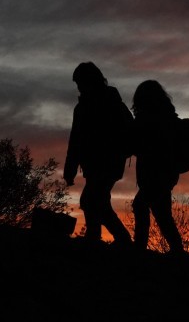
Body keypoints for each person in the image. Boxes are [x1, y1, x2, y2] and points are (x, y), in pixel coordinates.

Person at [64, 62, 133, 247]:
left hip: (108, 163)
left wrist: (70, 169)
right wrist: (70, 169)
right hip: (96, 164)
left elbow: (76, 140)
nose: (79, 87)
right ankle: (99, 238)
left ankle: (117, 239)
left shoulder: (109, 103)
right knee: (98, 202)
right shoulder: (89, 106)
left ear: (90, 81)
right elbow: (76, 140)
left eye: (80, 82)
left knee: (91, 200)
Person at [130, 79, 186, 256]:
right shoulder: (167, 116)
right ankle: (177, 250)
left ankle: (139, 248)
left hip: (158, 173)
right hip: (164, 173)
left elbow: (145, 145)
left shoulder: (153, 118)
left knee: (141, 205)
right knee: (161, 213)